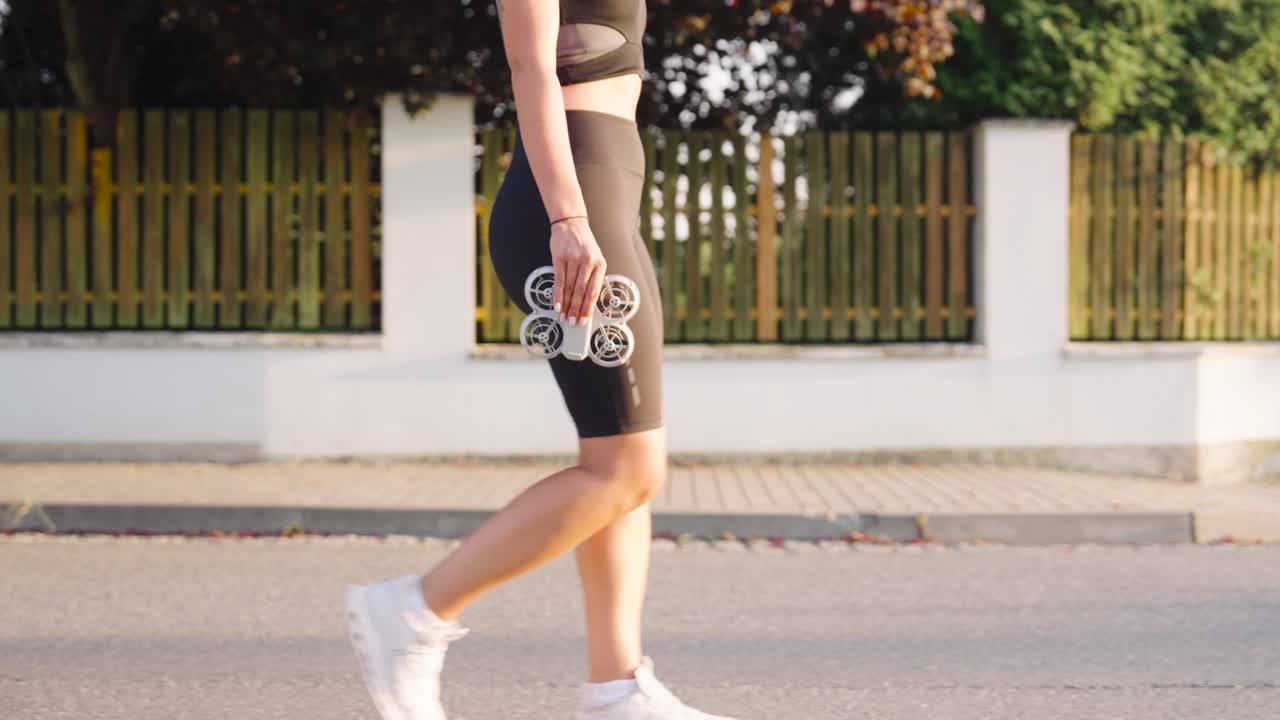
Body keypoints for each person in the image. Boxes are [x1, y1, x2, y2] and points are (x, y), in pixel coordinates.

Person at [343, 2, 736, 719]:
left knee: (621, 461)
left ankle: (615, 687)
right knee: (626, 467)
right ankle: (413, 612)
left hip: (604, 190)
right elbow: (531, 67)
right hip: (570, 205)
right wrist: (570, 219)